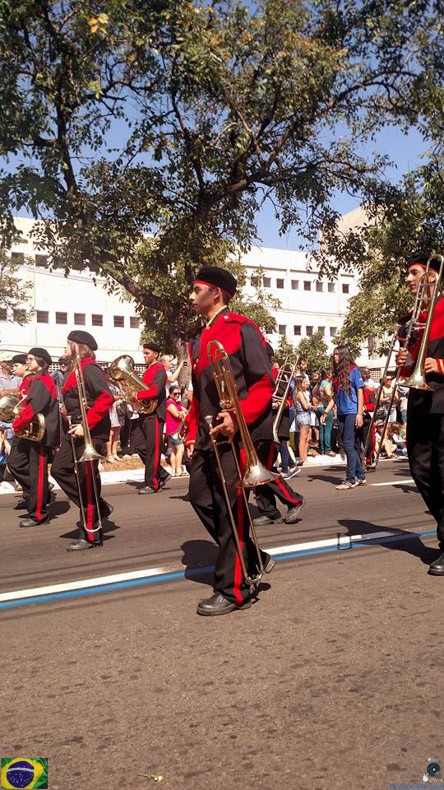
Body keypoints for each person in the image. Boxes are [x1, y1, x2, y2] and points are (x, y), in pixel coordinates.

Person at [185, 266, 282, 616]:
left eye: (197, 290)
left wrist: (237, 415)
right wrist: (191, 429)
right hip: (207, 434)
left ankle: (235, 588)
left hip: (236, 432)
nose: (191, 296)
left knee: (231, 510)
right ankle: (253, 557)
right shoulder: (199, 338)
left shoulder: (242, 328)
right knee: (198, 495)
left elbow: (263, 383)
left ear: (217, 294)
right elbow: (200, 395)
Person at [395, 253, 444, 575]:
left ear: (432, 276)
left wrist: (441, 365)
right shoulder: (414, 319)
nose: (408, 280)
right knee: (420, 468)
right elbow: (408, 369)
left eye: (414, 273)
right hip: (420, 398)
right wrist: (405, 362)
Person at [51, 331, 114, 550]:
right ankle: (99, 507)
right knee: (58, 469)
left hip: (89, 431)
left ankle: (91, 534)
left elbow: (106, 397)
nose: (64, 349)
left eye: (67, 345)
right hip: (75, 429)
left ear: (78, 346)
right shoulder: (75, 370)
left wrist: (85, 423)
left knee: (87, 482)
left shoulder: (89, 367)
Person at [8, 347, 60, 527]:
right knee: (15, 463)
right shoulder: (36, 380)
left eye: (30, 359)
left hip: (40, 435)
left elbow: (33, 408)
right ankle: (40, 494)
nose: (27, 362)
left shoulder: (43, 380)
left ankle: (39, 514)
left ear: (40, 362)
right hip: (31, 433)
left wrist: (17, 424)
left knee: (38, 473)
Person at [322, 346, 366, 489]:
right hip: (341, 413)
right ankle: (360, 475)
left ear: (343, 355)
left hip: (352, 412)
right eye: (333, 354)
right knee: (348, 446)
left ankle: (350, 479)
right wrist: (326, 411)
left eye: (336, 354)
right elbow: (334, 397)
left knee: (348, 444)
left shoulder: (354, 370)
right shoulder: (337, 374)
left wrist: (359, 414)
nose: (334, 357)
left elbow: (360, 393)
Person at [131, 342, 170, 494]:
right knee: (139, 445)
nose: (144, 356)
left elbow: (155, 390)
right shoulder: (148, 370)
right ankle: (161, 473)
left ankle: (153, 483)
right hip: (144, 413)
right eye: (144, 353)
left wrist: (138, 395)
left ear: (156, 354)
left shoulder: (159, 370)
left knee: (153, 449)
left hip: (154, 414)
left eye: (147, 353)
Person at [165, 385, 187, 476]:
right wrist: (182, 414)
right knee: (180, 449)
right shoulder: (169, 402)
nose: (177, 395)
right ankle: (178, 469)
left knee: (174, 450)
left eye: (179, 393)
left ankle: (173, 470)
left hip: (178, 430)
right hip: (173, 430)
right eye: (175, 394)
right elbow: (177, 415)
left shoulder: (178, 403)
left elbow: (186, 412)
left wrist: (183, 413)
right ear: (170, 394)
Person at [315, 369, 335, 456]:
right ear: (328, 375)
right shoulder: (326, 384)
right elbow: (329, 395)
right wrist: (332, 394)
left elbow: (314, 392)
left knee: (321, 429)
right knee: (327, 429)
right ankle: (327, 449)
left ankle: (322, 449)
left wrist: (320, 397)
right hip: (326, 407)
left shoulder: (319, 384)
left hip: (319, 407)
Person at [294, 377, 313, 465]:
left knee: (306, 438)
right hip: (303, 416)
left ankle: (304, 457)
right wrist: (310, 406)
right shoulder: (300, 394)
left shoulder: (296, 393)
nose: (306, 384)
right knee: (303, 439)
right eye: (304, 382)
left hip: (301, 416)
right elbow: (305, 406)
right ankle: (302, 458)